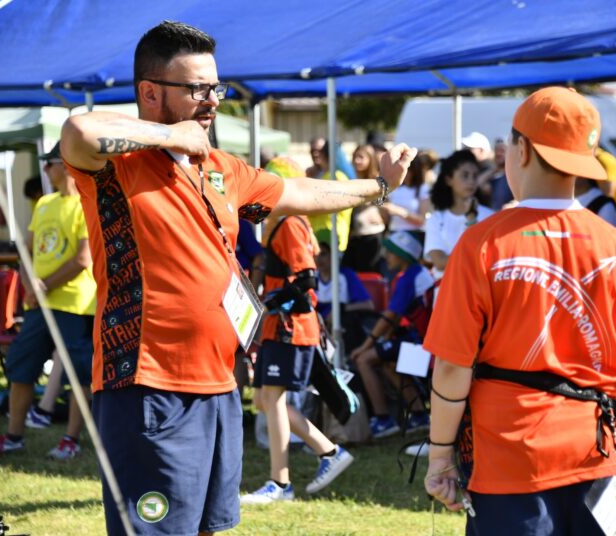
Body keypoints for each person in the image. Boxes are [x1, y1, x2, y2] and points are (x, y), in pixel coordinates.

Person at [60, 21, 414, 535]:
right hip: (149, 386)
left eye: (216, 87)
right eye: (197, 89)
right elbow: (77, 131)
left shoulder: (223, 168)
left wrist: (381, 186)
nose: (212, 101)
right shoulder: (118, 165)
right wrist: (169, 135)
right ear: (150, 92)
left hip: (221, 385)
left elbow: (305, 195)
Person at [423, 87, 616, 535]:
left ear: (523, 149)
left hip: (510, 463)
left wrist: (440, 456)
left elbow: (453, 367)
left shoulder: (480, 245)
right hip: (602, 457)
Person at [0, 141, 96, 461]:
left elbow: (83, 258)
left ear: (69, 165)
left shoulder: (88, 204)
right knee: (20, 365)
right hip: (41, 305)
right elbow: (27, 250)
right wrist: (28, 284)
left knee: (79, 375)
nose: (45, 169)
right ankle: (14, 436)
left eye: (50, 163)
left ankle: (70, 440)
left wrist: (42, 285)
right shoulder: (44, 203)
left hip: (76, 304)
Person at [242, 205, 354, 504]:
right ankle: (328, 452)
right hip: (278, 327)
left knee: (273, 399)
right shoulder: (282, 224)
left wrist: (270, 303)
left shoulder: (290, 224)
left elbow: (306, 280)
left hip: (288, 328)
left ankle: (281, 483)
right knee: (263, 401)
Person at [349, 231, 433, 439]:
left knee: (364, 360)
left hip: (426, 348)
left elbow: (389, 317)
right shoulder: (414, 273)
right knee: (387, 362)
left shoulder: (409, 276)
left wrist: (365, 346)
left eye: (392, 252)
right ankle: (420, 415)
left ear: (403, 256)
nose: (386, 256)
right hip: (426, 344)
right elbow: (394, 319)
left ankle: (383, 420)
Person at [425, 150, 494, 280]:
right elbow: (439, 262)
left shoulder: (490, 216)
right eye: (465, 175)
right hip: (445, 291)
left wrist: (472, 220)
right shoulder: (436, 218)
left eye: (475, 176)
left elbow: (490, 260)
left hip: (477, 291)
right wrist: (472, 259)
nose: (471, 181)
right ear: (448, 179)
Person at [315, 240, 375, 350]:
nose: (318, 259)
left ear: (333, 254)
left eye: (323, 254)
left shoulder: (346, 275)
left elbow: (368, 305)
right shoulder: (311, 278)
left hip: (344, 329)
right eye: (315, 254)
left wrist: (340, 309)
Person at [343, 144, 386, 273]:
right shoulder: (351, 180)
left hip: (371, 236)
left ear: (370, 159)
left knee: (368, 276)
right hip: (354, 236)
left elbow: (383, 204)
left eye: (361, 157)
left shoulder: (378, 182)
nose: (357, 161)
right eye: (355, 157)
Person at [307, 141, 353, 252]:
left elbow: (314, 207)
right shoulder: (329, 177)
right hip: (323, 236)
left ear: (322, 156)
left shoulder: (335, 178)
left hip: (330, 237)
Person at [382, 154, 429, 241]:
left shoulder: (422, 188)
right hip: (394, 232)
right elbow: (386, 217)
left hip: (414, 235)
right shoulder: (393, 188)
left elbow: (422, 219)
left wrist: (400, 212)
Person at [476, 138, 513, 210]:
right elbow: (479, 183)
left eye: (502, 151)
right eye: (496, 151)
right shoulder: (494, 178)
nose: (498, 154)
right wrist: (494, 169)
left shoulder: (514, 177)